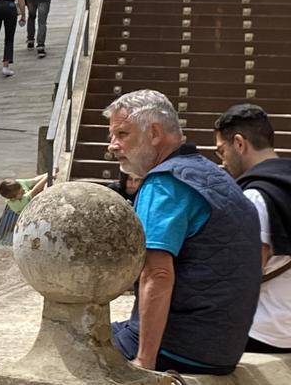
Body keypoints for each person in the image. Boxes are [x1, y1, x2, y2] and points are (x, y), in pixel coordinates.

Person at [105, 89, 261, 374]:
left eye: (122, 134)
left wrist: (144, 363)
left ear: (154, 133)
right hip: (222, 348)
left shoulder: (163, 183)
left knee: (69, 344)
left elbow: (158, 274)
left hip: (178, 347)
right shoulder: (214, 175)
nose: (113, 146)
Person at [214, 104, 291, 354]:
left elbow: (245, 278)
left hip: (264, 330)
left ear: (239, 143)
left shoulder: (255, 196)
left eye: (221, 150)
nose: (222, 161)